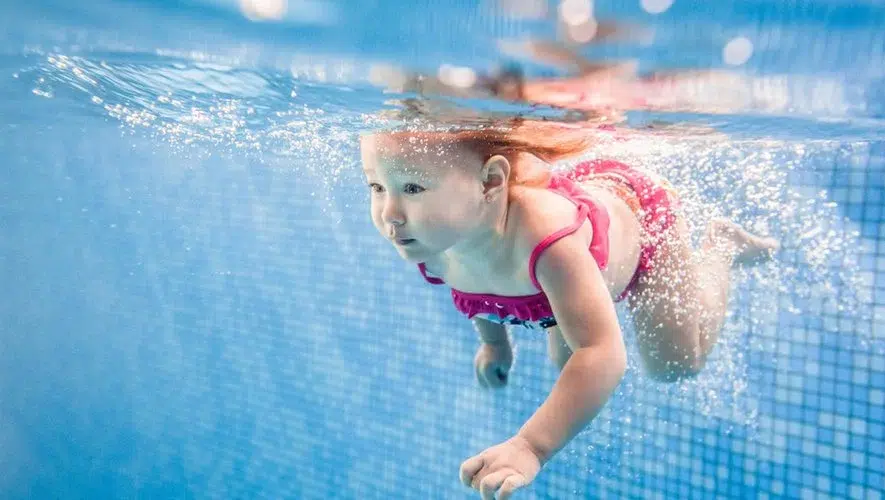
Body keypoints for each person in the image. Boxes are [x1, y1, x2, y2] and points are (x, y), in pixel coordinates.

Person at [359, 118, 778, 499]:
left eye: (412, 188)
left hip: (639, 216)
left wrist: (530, 446)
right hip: (565, 242)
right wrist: (496, 346)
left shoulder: (548, 243)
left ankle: (722, 246)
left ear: (490, 182)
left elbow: (603, 354)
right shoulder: (432, 243)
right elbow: (479, 294)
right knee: (565, 362)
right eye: (376, 187)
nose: (389, 215)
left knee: (673, 363)